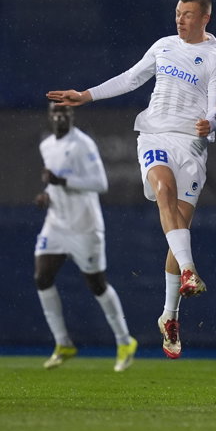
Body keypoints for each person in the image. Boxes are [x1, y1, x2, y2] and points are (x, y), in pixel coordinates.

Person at [47, 0, 216, 359]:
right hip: (154, 135)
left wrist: (210, 123)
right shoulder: (163, 46)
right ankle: (190, 270)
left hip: (191, 146)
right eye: (178, 12)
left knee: (179, 230)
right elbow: (130, 78)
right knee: (164, 190)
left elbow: (215, 105)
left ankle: (169, 316)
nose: (180, 19)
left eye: (188, 14)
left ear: (205, 18)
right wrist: (86, 95)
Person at [34, 102, 137, 372]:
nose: (59, 116)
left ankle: (125, 341)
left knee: (97, 285)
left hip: (84, 225)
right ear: (49, 116)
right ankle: (63, 343)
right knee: (42, 277)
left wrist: (62, 182)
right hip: (56, 223)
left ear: (72, 115)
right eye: (55, 112)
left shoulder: (83, 144)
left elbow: (101, 184)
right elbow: (53, 182)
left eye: (64, 112)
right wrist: (47, 195)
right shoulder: (46, 145)